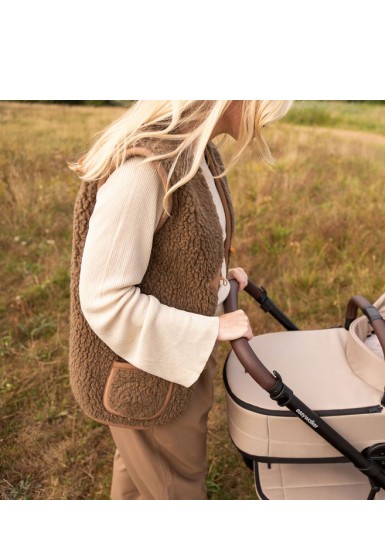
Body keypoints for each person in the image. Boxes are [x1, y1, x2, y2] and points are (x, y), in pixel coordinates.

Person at [69, 100, 293, 499]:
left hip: (169, 362)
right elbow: (106, 299)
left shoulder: (199, 153)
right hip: (147, 375)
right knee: (177, 484)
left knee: (140, 475)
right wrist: (213, 328)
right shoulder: (143, 171)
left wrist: (219, 278)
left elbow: (183, 241)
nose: (271, 119)